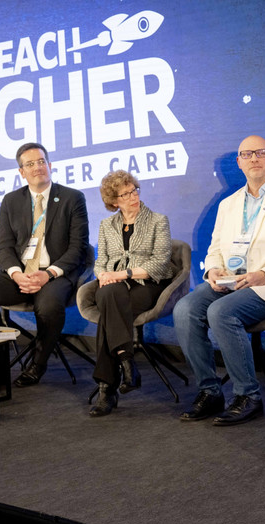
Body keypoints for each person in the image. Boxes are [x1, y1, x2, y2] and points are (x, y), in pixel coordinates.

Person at [173, 135, 265, 426]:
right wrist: (213, 270)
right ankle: (210, 391)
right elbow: (214, 248)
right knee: (184, 309)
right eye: (247, 154)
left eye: (260, 152)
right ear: (239, 162)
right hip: (231, 281)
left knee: (220, 312)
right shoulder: (228, 204)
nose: (254, 159)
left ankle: (248, 395)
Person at [0, 142, 89, 394]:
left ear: (50, 165)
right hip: (21, 273)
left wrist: (48, 274)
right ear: (22, 172)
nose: (37, 167)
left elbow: (78, 248)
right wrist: (16, 274)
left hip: (55, 274)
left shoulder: (72, 198)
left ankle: (37, 364)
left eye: (41, 161)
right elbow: (4, 247)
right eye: (30, 164)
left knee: (49, 305)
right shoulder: (11, 201)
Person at [88, 170, 174, 417]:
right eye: (124, 194)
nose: (133, 197)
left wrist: (122, 274)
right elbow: (100, 261)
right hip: (114, 287)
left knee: (108, 307)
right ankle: (126, 361)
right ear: (114, 202)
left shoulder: (158, 220)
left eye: (134, 191)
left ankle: (107, 389)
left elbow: (160, 263)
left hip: (147, 285)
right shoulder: (106, 225)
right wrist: (104, 275)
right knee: (109, 296)